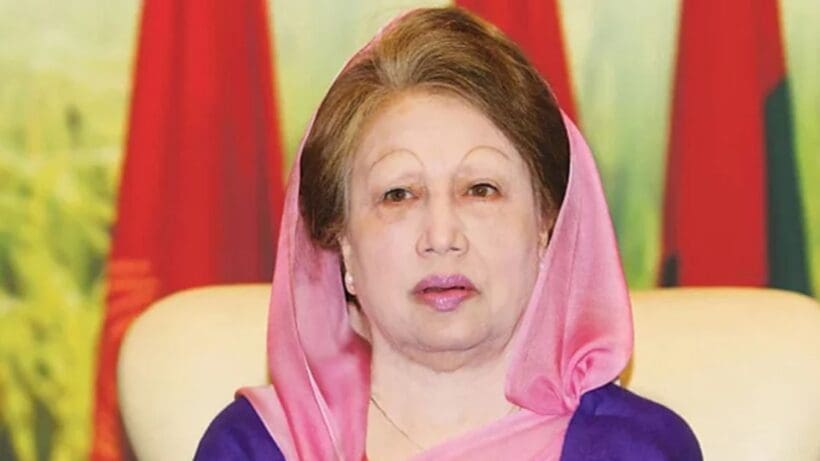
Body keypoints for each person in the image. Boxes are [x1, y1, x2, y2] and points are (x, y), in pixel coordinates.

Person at [195, 7, 701, 461]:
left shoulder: (634, 449)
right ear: (342, 244)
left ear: (548, 226)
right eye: (399, 195)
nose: (441, 235)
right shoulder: (255, 448)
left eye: (480, 189)